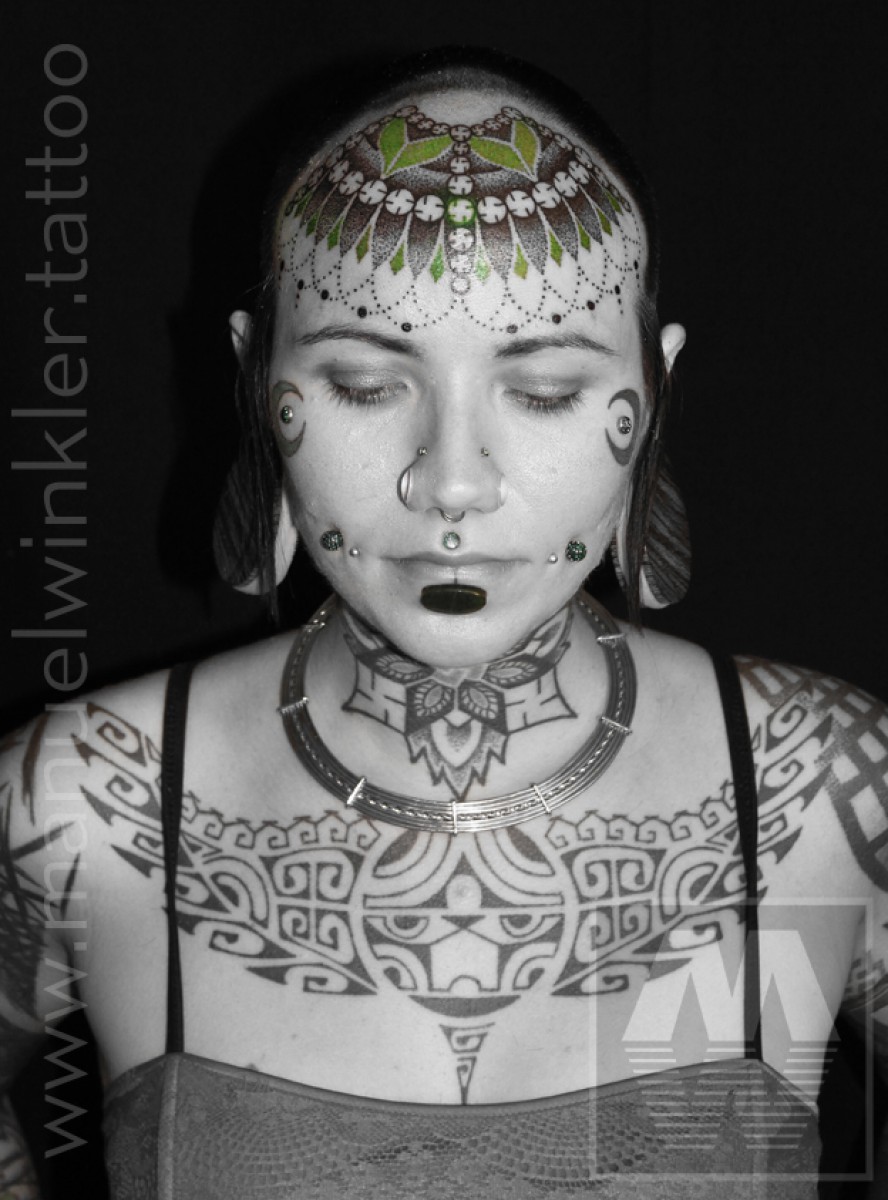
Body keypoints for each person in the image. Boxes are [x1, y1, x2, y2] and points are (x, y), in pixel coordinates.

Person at [1, 45, 885, 1198]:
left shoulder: (812, 791)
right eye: (366, 385)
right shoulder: (88, 801)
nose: (453, 482)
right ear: (256, 382)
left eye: (546, 390)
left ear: (655, 392)